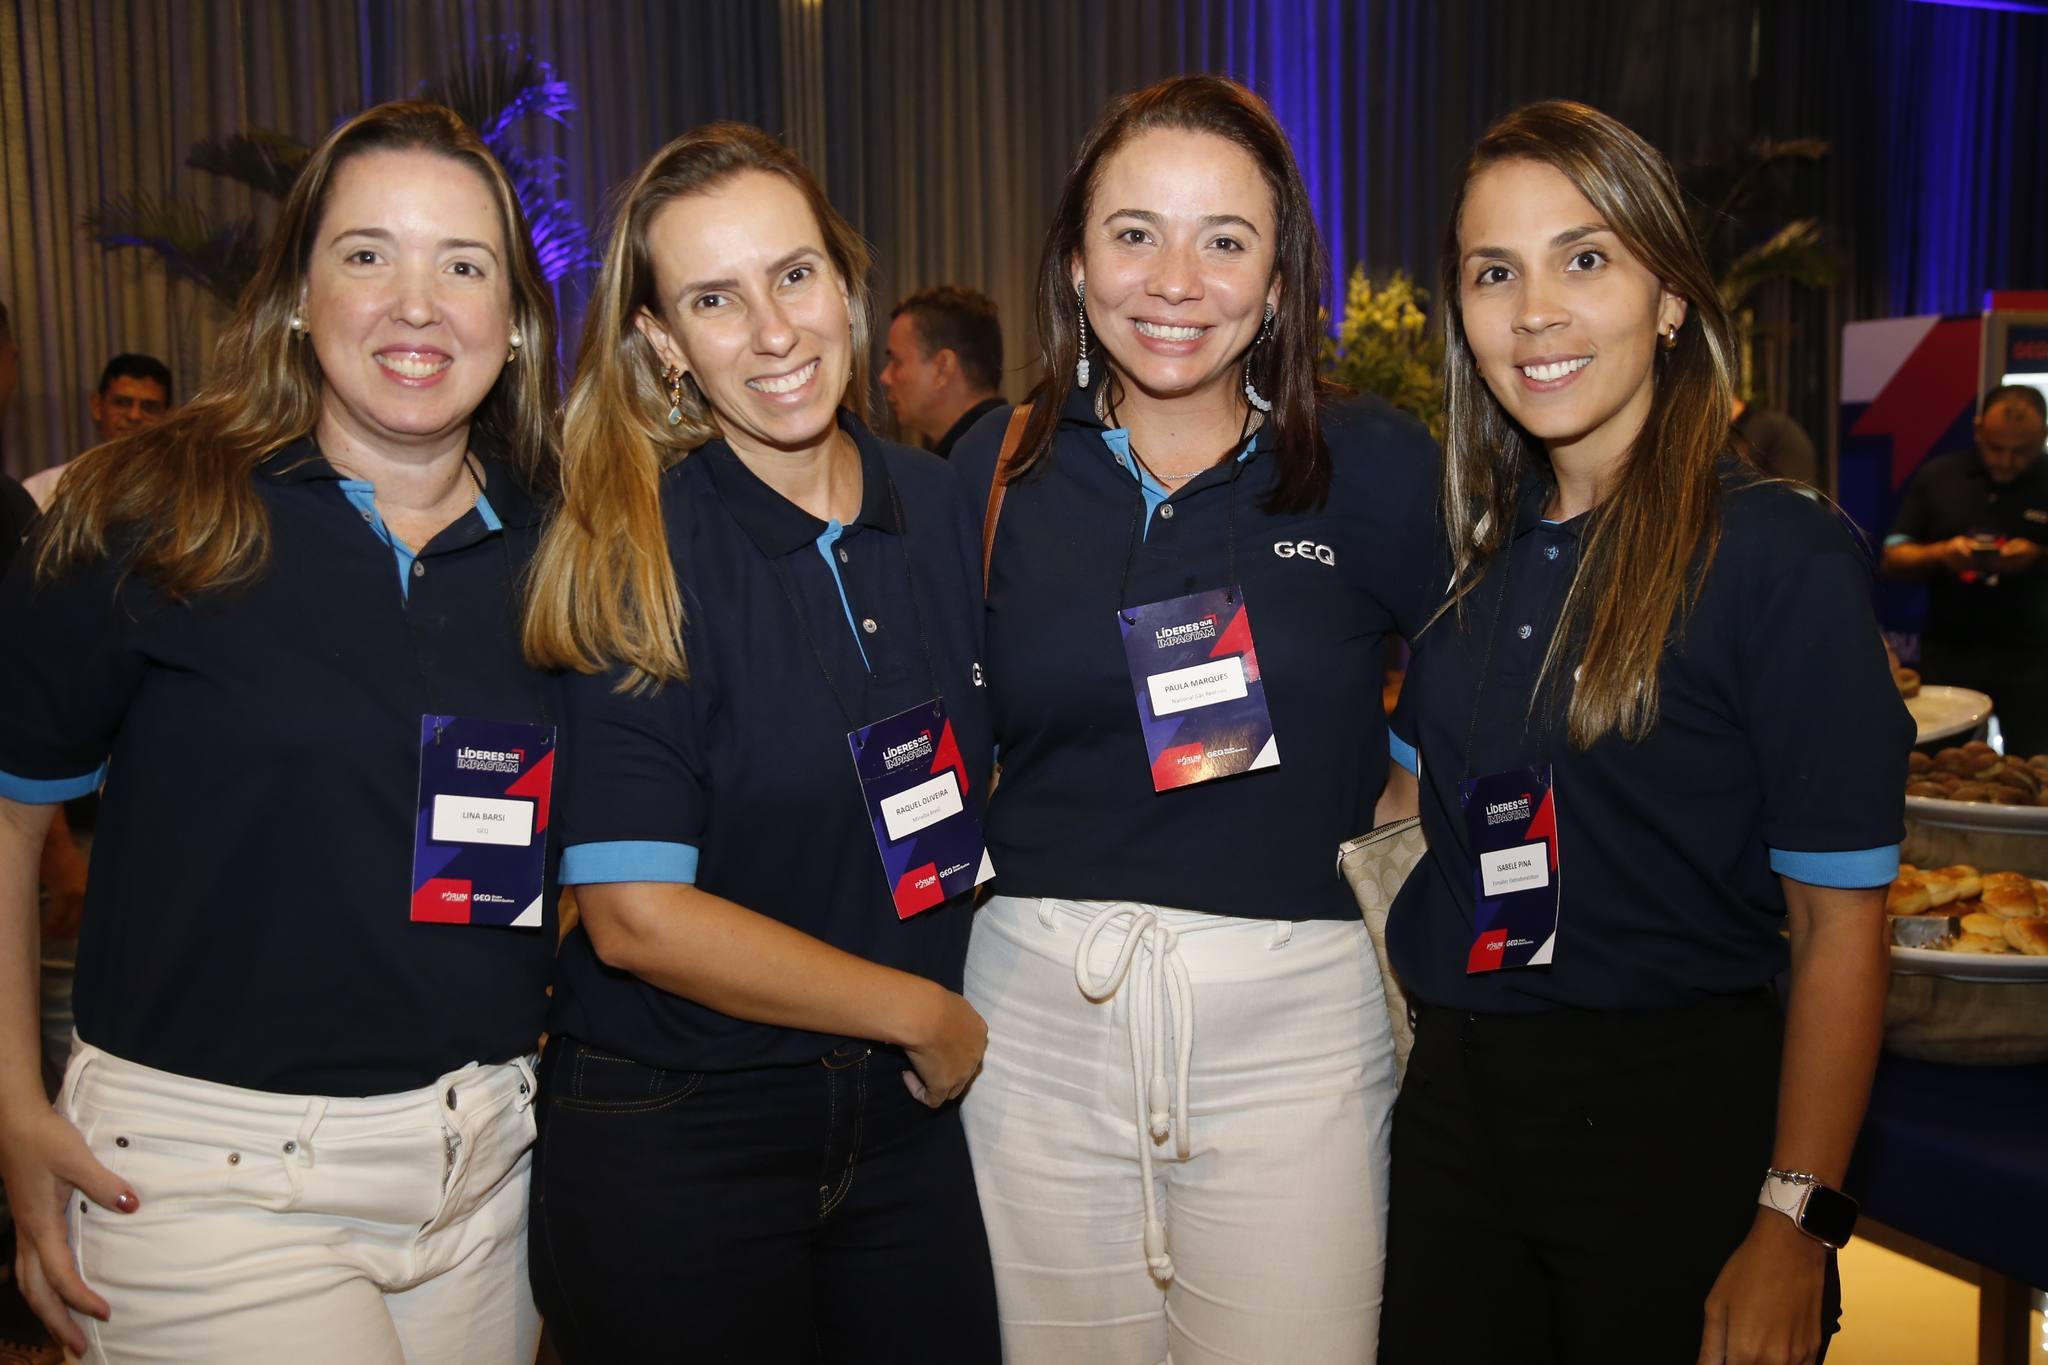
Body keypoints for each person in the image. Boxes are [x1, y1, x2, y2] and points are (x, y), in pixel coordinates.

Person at [0, 101, 562, 1364]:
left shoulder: (563, 549)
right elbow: (10, 815)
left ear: (516, 319)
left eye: (462, 265)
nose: (416, 305)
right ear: (299, 296)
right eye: (367, 254)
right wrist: (9, 1102)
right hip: (211, 1180)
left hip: (487, 1173)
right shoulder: (150, 512)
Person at [1377, 100, 1911, 1365]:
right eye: (1493, 272)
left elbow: (1840, 929)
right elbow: (1402, 823)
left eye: (1583, 259)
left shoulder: (1774, 556)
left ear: (1669, 294)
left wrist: (1793, 1224)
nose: (1533, 312)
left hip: (1673, 1132)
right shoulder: (1466, 560)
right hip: (1452, 1121)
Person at [956, 75, 1441, 1364]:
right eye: (1134, 234)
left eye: (1224, 240)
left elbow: (1484, 667)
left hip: (1299, 1031)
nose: (1175, 281)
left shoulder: (1372, 464)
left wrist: (1400, 772)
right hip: (1034, 1028)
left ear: (1276, 281)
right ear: (1075, 261)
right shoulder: (993, 469)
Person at [522, 123, 999, 1364]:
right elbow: (636, 918)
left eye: (793, 276)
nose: (774, 332)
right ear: (662, 345)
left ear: (846, 283)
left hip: (905, 1127)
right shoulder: (635, 545)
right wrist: (923, 1013)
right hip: (683, 1128)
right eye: (714, 300)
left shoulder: (943, 507)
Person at [1882, 384, 2048, 754]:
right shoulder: (1940, 476)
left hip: (2034, 659)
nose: (2006, 460)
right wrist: (1942, 553)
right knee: (1939, 764)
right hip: (1951, 654)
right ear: (1978, 430)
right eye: (1996, 447)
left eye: (2021, 450)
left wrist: (2037, 555)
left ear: (2043, 436)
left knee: (2035, 767)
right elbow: (1894, 556)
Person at [22, 355, 174, 511]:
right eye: (122, 403)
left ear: (169, 416)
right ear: (97, 406)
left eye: (149, 407)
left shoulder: (181, 491)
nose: (134, 416)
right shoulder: (45, 489)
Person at [880, 285, 1008, 458]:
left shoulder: (973, 462)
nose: (885, 377)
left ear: (942, 368)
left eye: (896, 361)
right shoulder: (1012, 443)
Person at [1732, 394, 1819, 488]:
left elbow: (1742, 464)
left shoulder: (1757, 423)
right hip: (1798, 487)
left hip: (1791, 489)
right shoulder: (1761, 419)